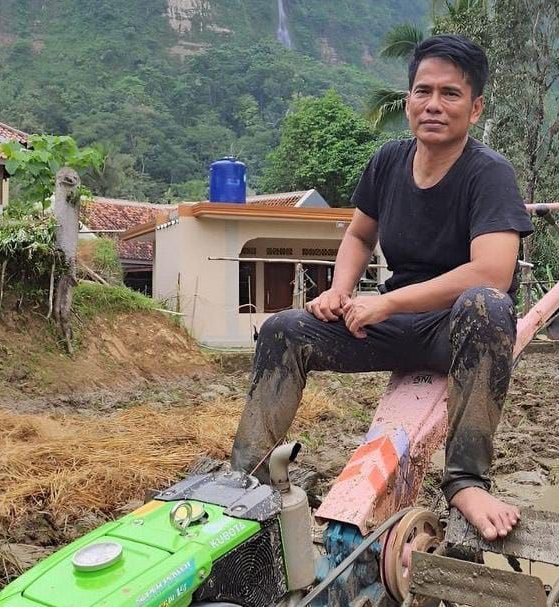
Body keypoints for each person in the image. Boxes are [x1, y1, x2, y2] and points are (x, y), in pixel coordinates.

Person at [230, 35, 534, 542]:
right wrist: (339, 291)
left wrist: (386, 301)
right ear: (409, 99)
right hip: (394, 324)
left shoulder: (489, 174)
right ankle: (247, 476)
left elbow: (492, 272)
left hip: (457, 330)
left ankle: (465, 481)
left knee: (486, 305)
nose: (433, 105)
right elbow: (358, 233)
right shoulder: (388, 162)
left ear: (475, 107)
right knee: (285, 330)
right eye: (423, 91)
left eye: (451, 94)